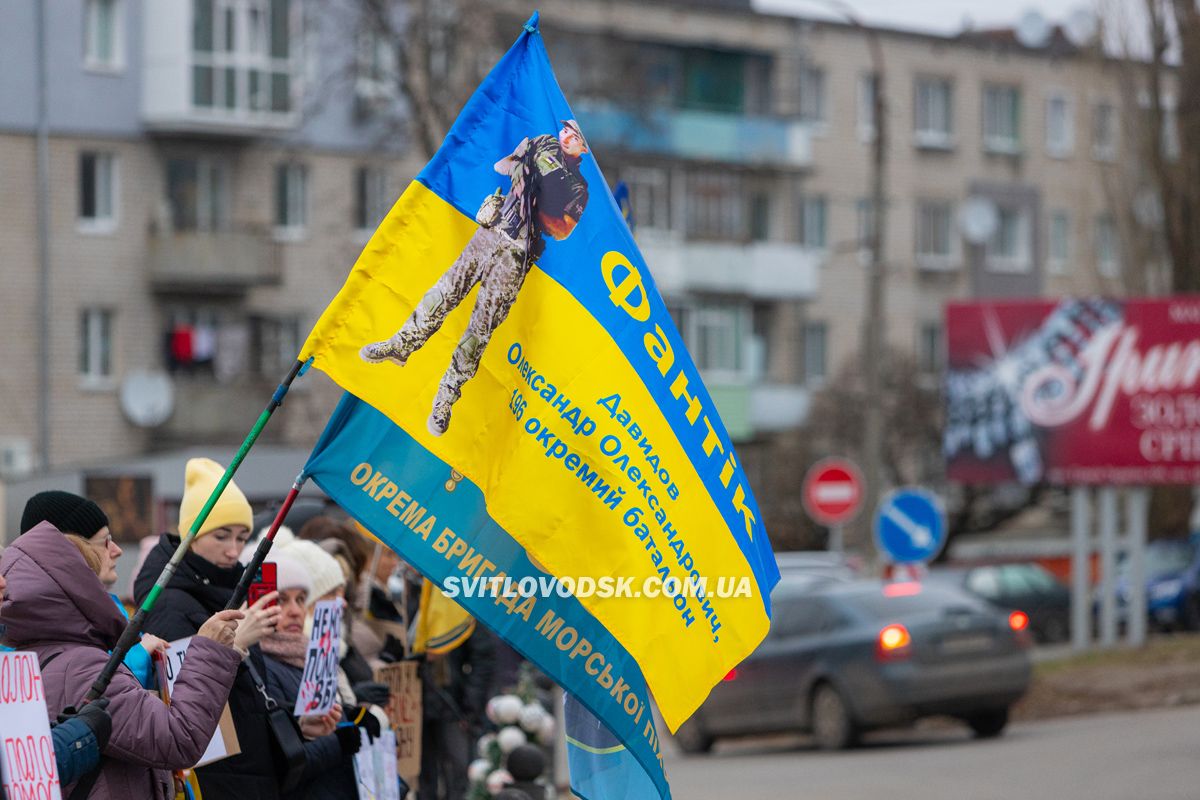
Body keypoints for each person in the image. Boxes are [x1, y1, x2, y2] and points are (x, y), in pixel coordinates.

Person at [360, 120, 591, 436]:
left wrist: (542, 186)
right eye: (566, 129)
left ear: (584, 148)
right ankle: (401, 344)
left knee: (480, 329)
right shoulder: (544, 144)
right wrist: (523, 175)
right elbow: (503, 165)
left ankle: (445, 397)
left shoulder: (579, 186)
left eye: (575, 135)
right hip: (491, 233)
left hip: (517, 253)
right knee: (442, 294)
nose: (567, 135)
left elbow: (562, 228)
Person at [0, 521, 243, 799]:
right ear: (76, 589)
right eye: (91, 577)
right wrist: (210, 651)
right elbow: (179, 738)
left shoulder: (30, 660)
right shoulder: (81, 666)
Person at [134, 458, 284, 799]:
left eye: (243, 537)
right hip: (212, 778)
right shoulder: (169, 601)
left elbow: (246, 698)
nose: (233, 550)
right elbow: (184, 701)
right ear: (193, 534)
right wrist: (234, 646)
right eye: (221, 536)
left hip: (248, 770)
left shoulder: (229, 591)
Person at [18, 491, 165, 687]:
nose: (117, 550)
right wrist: (138, 656)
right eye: (105, 541)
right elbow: (81, 693)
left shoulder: (99, 608)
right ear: (70, 550)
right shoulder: (31, 618)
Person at [259, 556, 375, 800]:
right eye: (282, 600)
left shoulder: (311, 655)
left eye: (301, 600)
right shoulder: (261, 666)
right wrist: (339, 742)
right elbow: (283, 761)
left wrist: (351, 717)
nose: (295, 611)